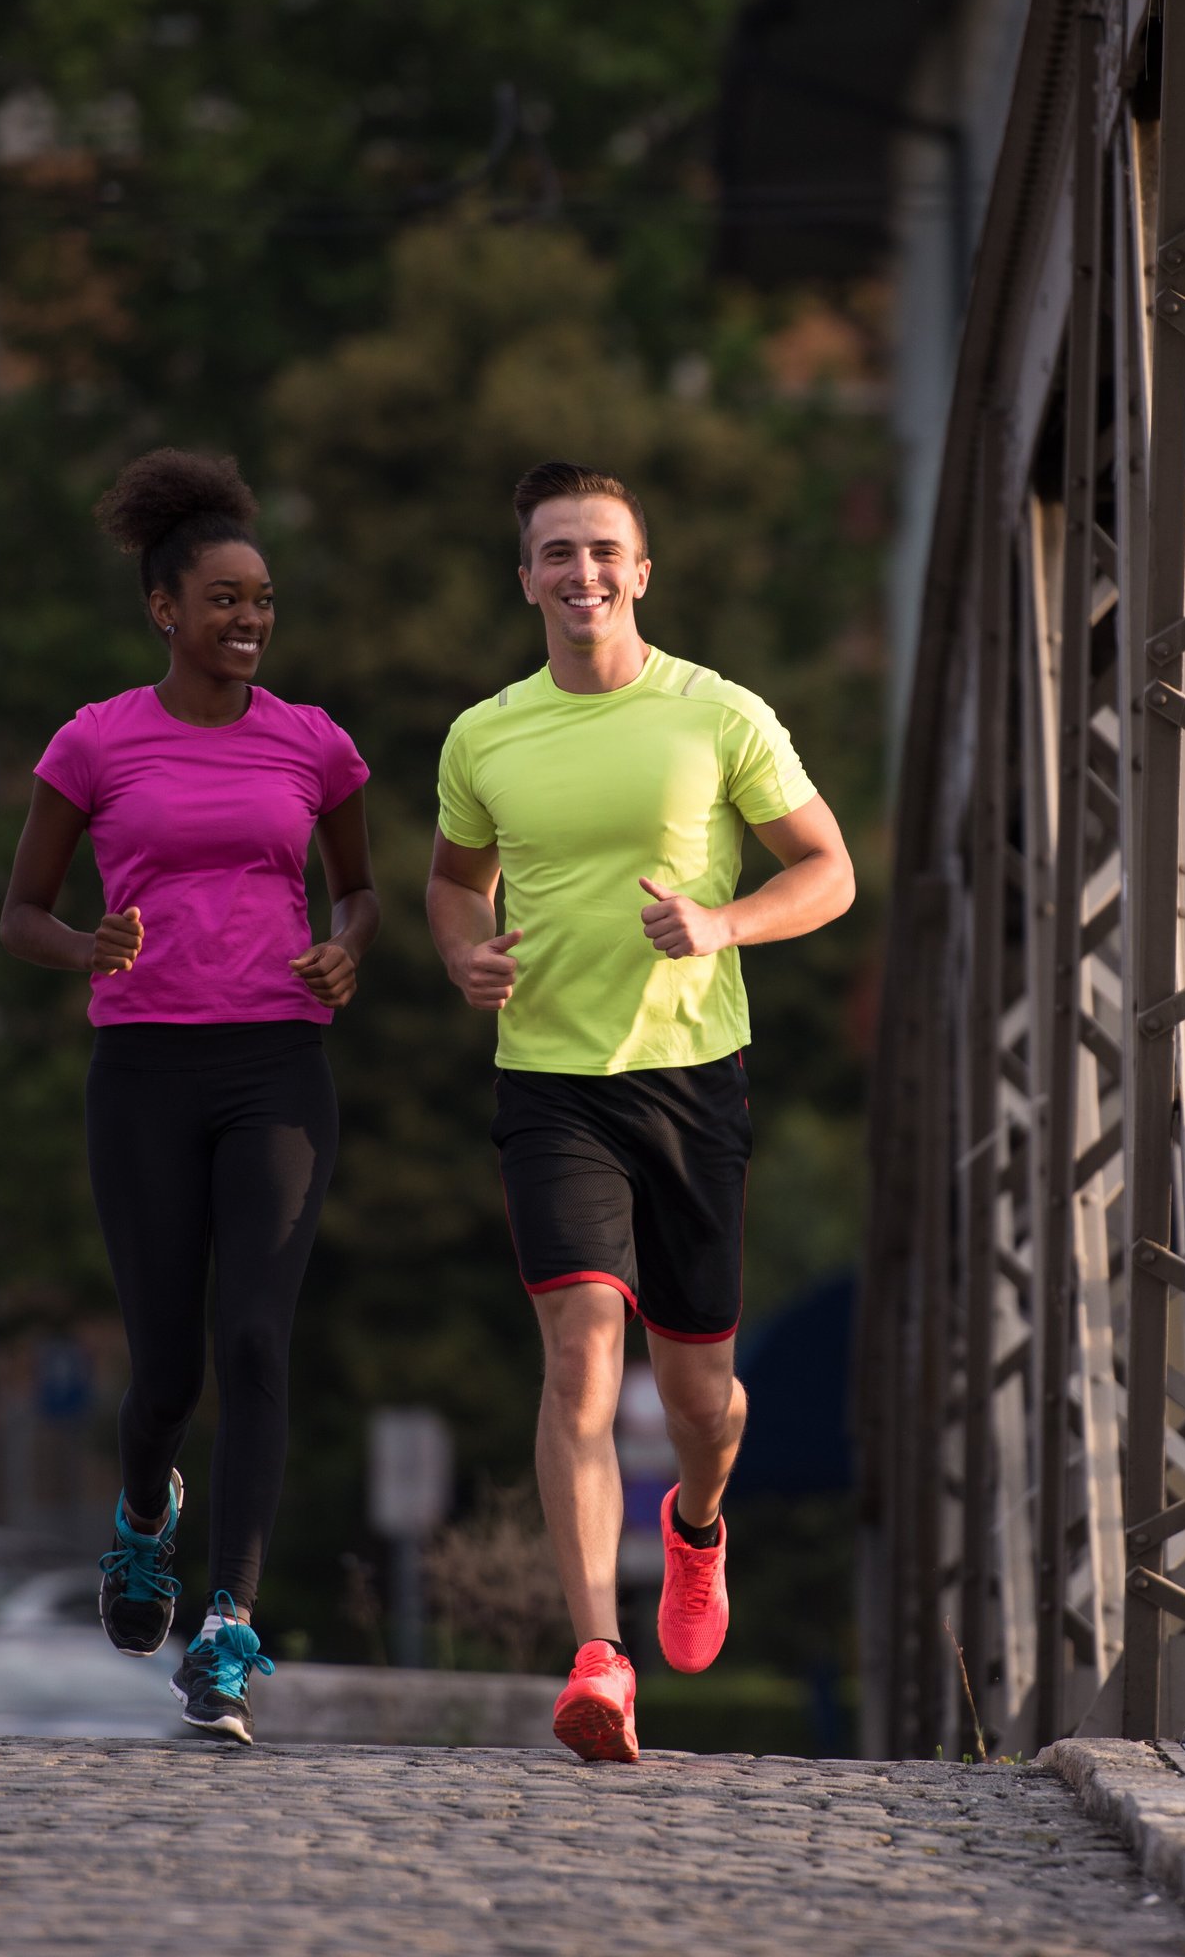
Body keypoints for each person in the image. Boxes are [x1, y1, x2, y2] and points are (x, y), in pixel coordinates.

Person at [426, 461, 855, 1763]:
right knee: (579, 1358)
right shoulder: (484, 735)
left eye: (604, 550)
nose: (583, 574)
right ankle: (599, 1657)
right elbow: (455, 883)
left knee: (704, 1406)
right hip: (551, 1086)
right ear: (527, 579)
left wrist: (723, 921)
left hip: (689, 1085)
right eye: (557, 553)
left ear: (642, 570)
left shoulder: (718, 716)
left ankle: (699, 1527)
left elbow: (830, 871)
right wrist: (464, 953)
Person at [0, 449, 378, 1743]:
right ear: (165, 607)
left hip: (277, 1063)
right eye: (224, 599)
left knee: (258, 1343)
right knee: (164, 1362)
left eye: (262, 599)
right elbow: (20, 913)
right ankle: (141, 1523)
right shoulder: (96, 742)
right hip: (145, 1070)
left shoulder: (314, 745)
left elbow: (361, 887)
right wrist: (83, 947)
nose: (250, 620)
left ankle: (227, 1631)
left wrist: (349, 943)